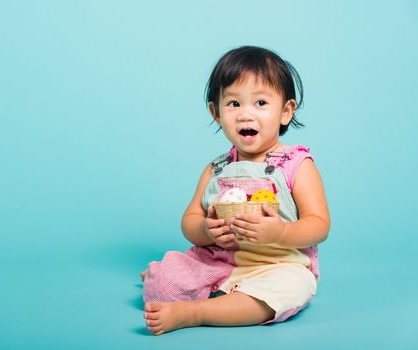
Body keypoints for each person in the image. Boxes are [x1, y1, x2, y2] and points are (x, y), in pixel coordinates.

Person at [141, 46, 330, 336]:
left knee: (292, 288)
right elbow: (189, 220)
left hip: (277, 265)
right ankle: (212, 293)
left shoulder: (295, 164)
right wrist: (206, 231)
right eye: (233, 104)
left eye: (261, 103)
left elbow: (319, 225)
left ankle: (196, 312)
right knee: (161, 283)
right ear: (215, 113)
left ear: (286, 111)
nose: (245, 115)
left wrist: (279, 233)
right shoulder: (216, 168)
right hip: (221, 262)